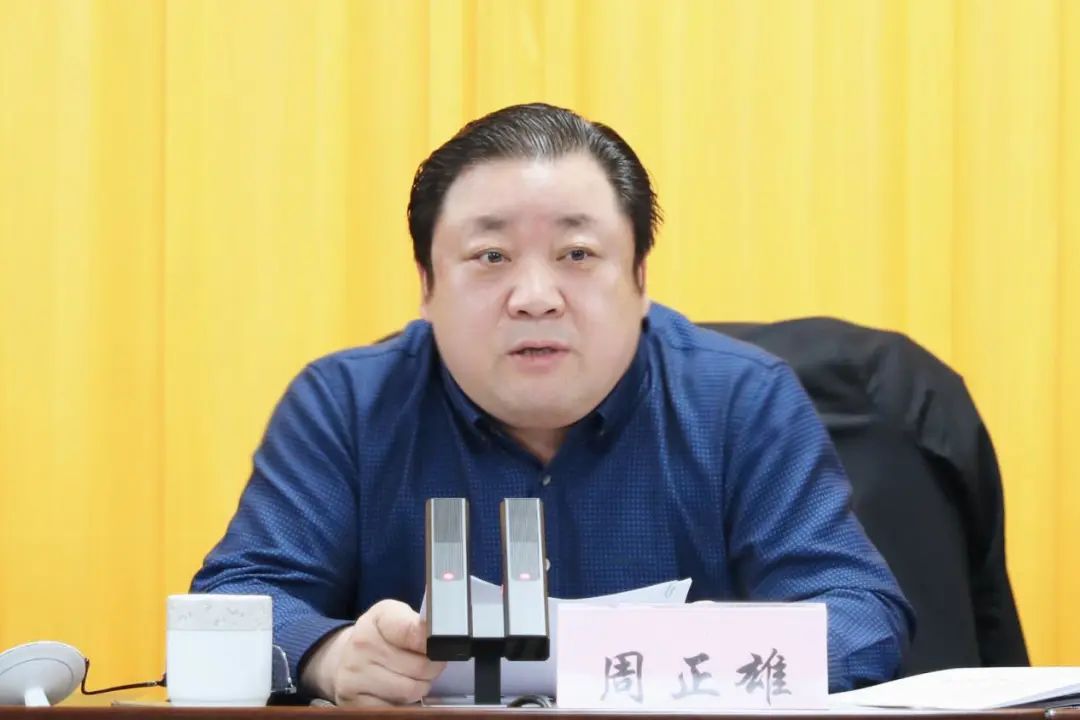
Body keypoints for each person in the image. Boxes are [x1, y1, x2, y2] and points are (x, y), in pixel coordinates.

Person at [191, 103, 913, 706]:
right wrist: (329, 655)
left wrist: (678, 655)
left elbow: (859, 614)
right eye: (491, 257)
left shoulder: (742, 402)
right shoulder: (346, 406)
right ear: (427, 285)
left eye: (577, 254)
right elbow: (238, 603)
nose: (535, 298)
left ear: (640, 277)